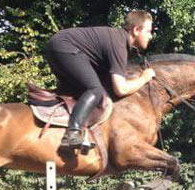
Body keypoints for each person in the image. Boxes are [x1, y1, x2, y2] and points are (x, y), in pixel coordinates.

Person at [45, 10, 156, 149]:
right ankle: (72, 134)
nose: (150, 36)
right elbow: (121, 89)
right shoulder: (119, 44)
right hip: (64, 46)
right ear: (136, 30)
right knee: (94, 89)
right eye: (148, 31)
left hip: (59, 46)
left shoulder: (119, 40)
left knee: (89, 88)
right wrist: (144, 78)